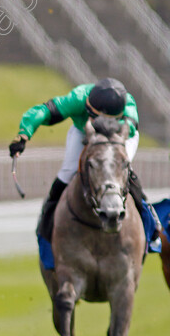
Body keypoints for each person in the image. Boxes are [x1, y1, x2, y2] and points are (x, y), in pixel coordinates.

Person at [9, 77, 158, 248]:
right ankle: (46, 225)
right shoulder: (79, 97)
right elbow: (45, 111)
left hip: (119, 136)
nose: (95, 121)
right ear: (88, 107)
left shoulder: (128, 105)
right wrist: (24, 133)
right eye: (92, 116)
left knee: (121, 170)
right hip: (83, 133)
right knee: (67, 172)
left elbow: (129, 129)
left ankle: (151, 226)